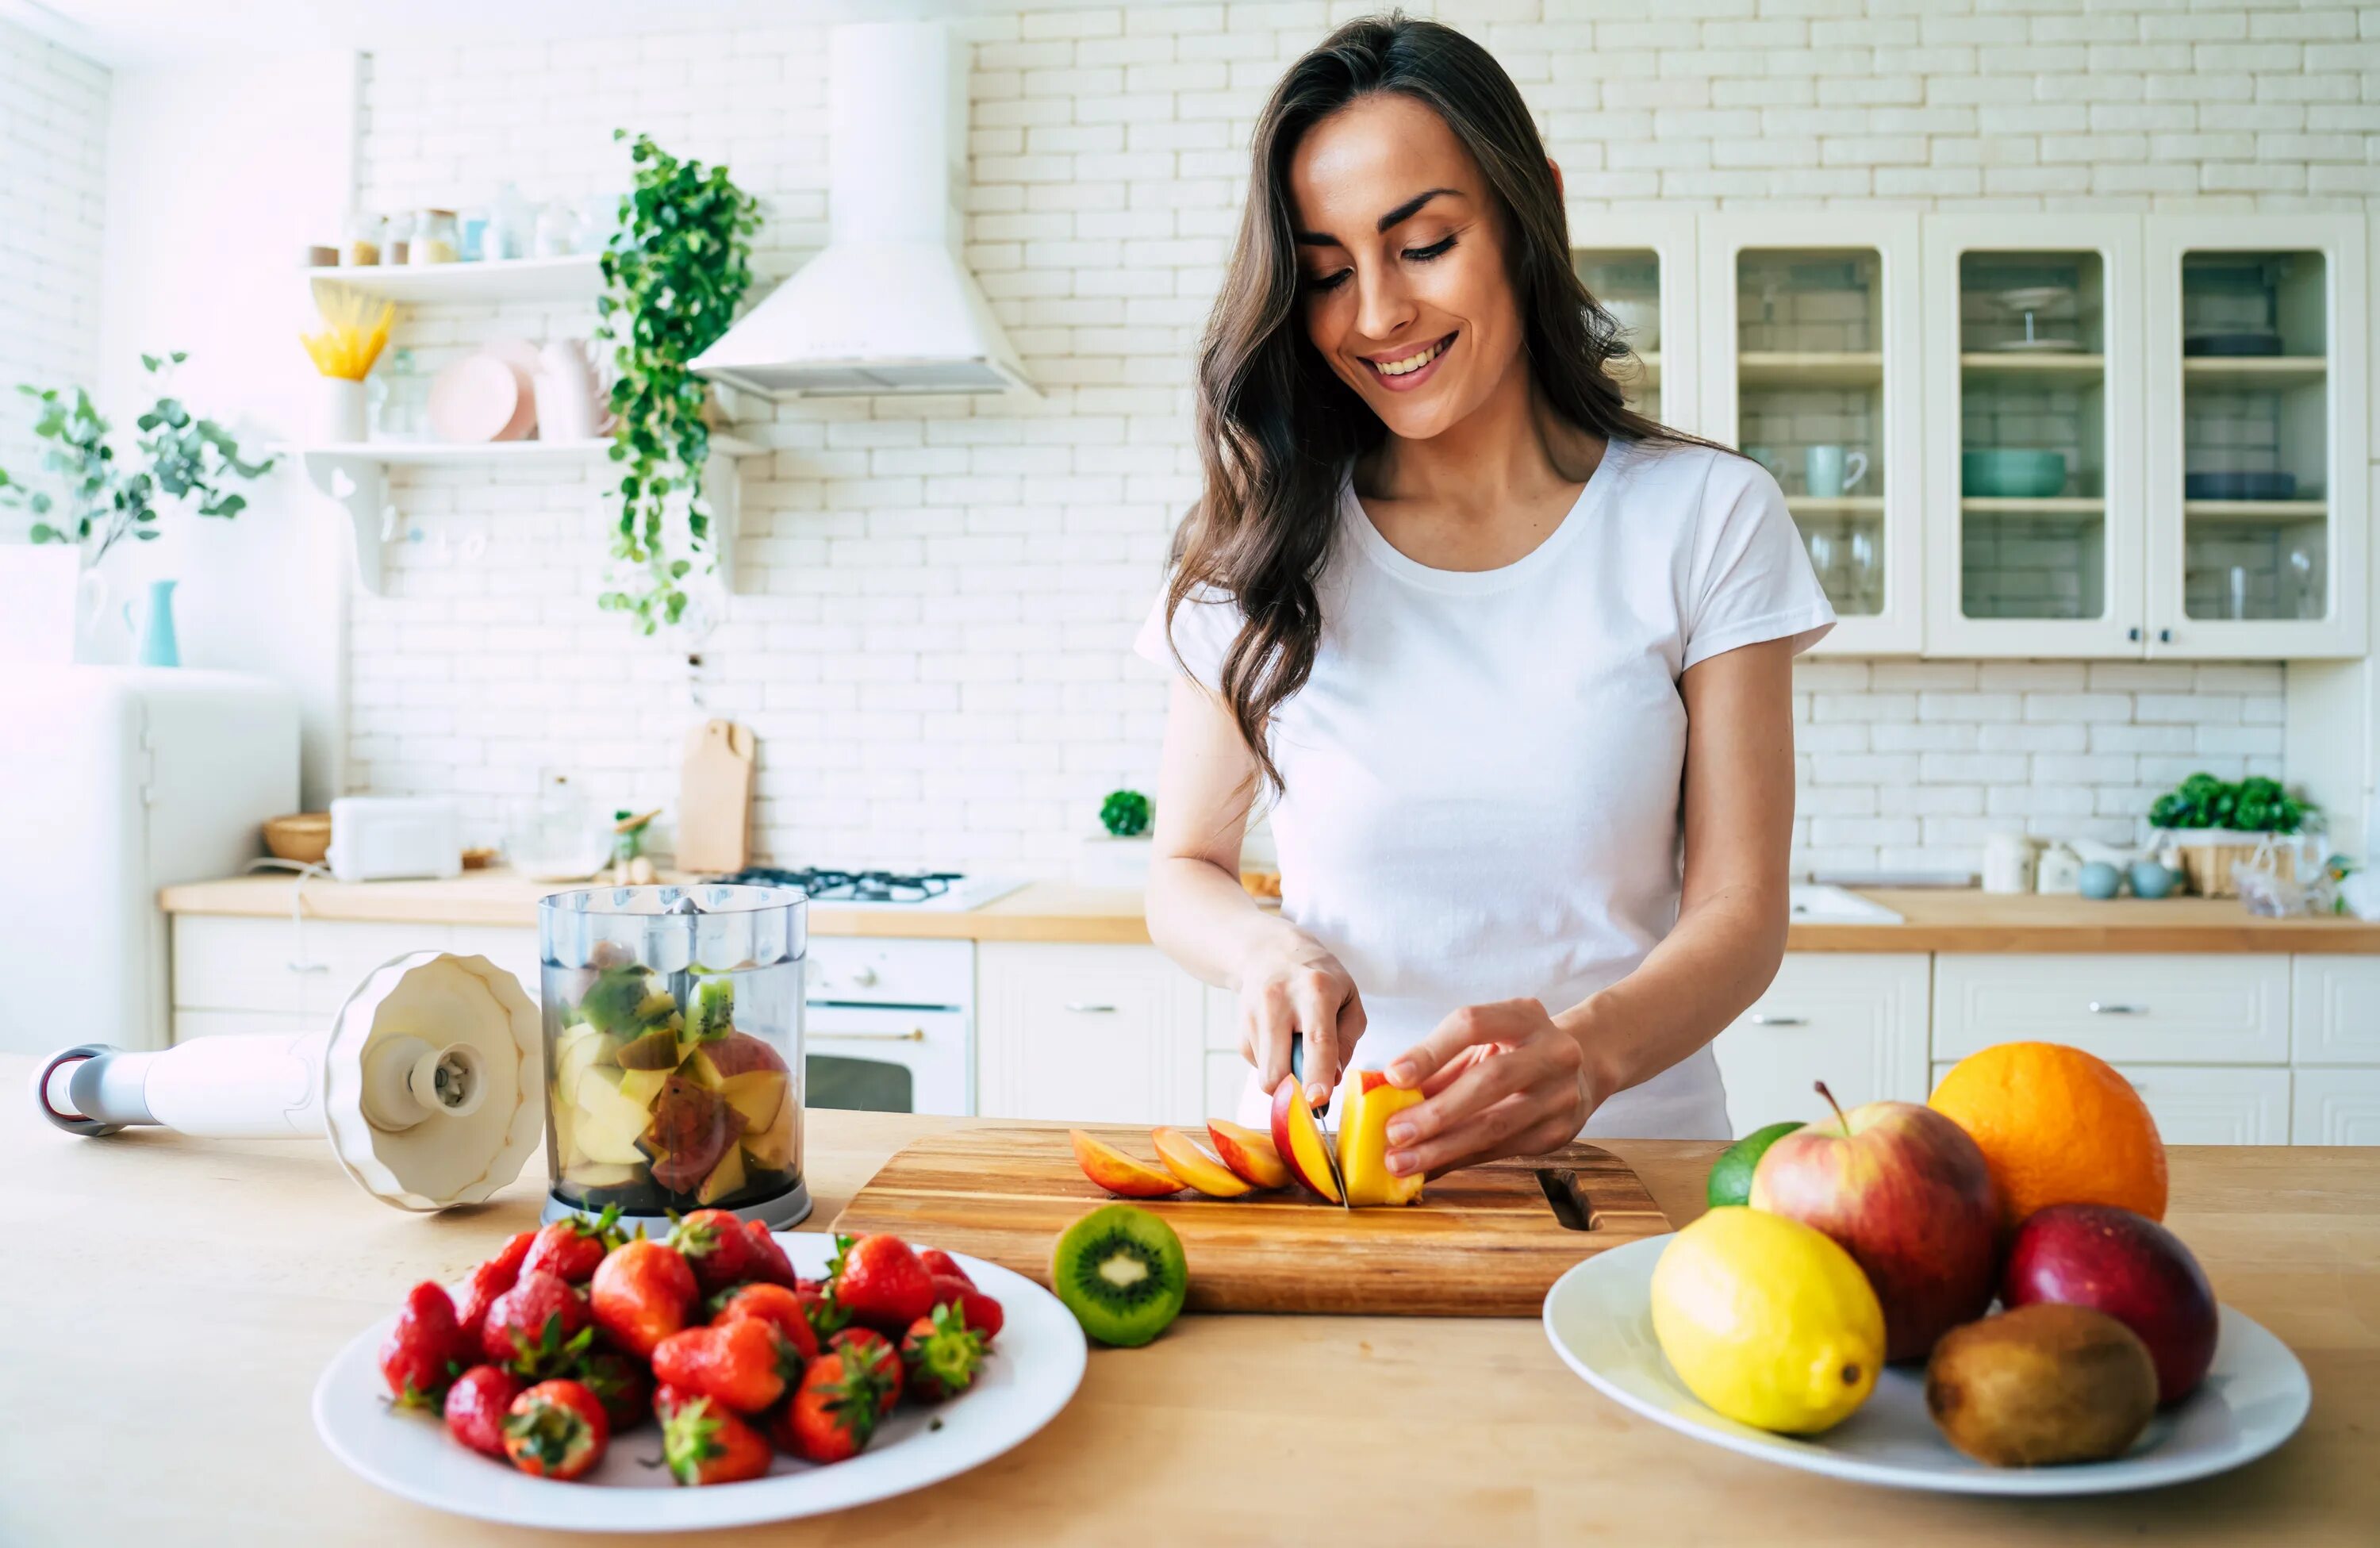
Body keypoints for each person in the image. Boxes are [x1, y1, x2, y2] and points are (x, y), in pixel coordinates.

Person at [1134, 14, 1834, 1178]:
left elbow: (1740, 913)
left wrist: (1588, 1056)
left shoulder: (1704, 517)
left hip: (1632, 1172)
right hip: (1341, 1171)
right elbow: (1183, 871)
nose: (1375, 316)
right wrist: (1265, 952)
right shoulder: (1261, 546)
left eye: (1424, 245)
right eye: (1325, 273)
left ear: (1532, 211)